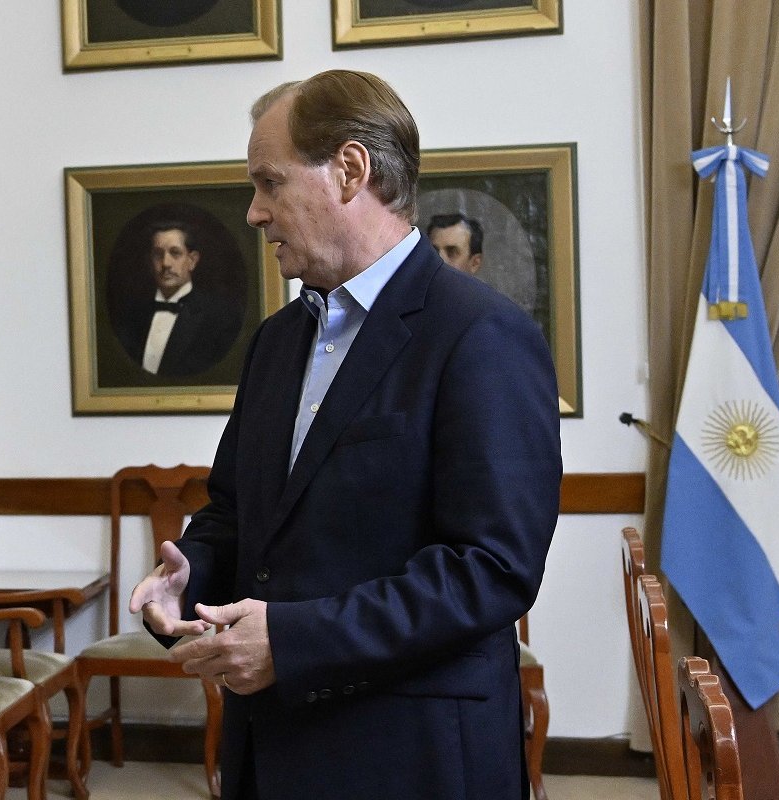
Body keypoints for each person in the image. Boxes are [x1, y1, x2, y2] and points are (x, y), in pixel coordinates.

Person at [128, 70, 561, 799]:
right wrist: (187, 577)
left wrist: (294, 641)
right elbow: (236, 510)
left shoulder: (482, 334)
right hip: (270, 748)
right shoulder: (277, 341)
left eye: (269, 183)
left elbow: (490, 569)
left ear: (350, 171)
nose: (254, 213)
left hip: (410, 755)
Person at [111, 220, 240, 377]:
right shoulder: (132, 315)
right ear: (150, 261)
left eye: (175, 253)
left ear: (192, 261)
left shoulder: (219, 318)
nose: (166, 263)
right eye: (158, 254)